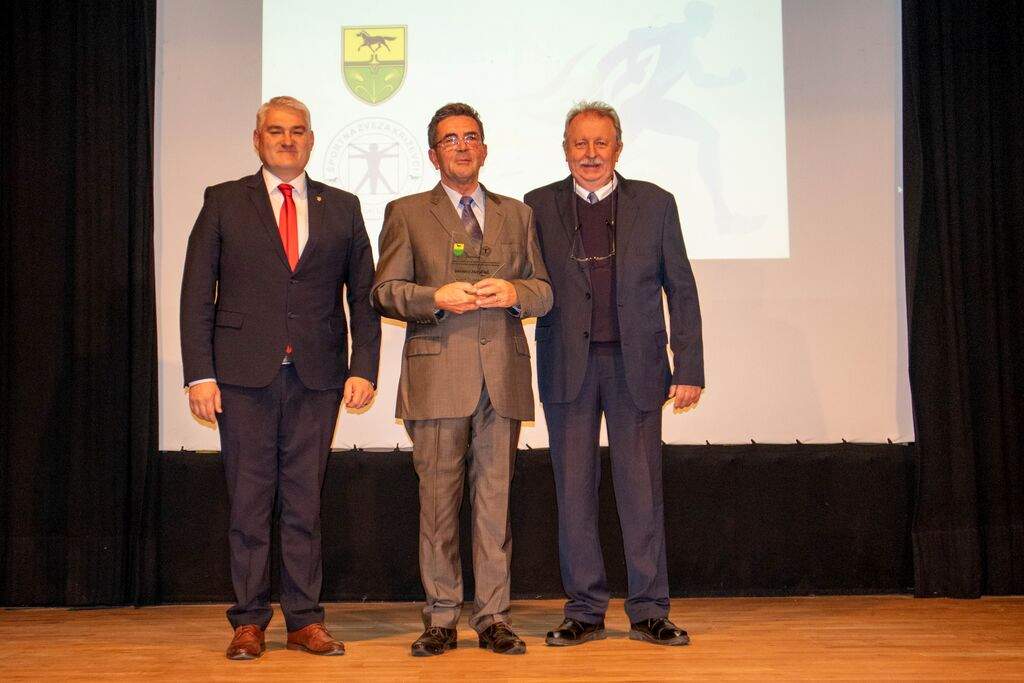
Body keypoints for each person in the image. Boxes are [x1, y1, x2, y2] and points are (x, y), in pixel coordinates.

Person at [180, 96, 381, 660]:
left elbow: (363, 298)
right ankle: (248, 621)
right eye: (276, 131)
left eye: (297, 131)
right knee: (248, 504)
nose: (287, 140)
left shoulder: (343, 206)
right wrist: (200, 374)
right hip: (242, 379)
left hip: (317, 378)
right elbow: (196, 292)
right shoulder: (223, 200)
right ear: (257, 140)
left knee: (304, 505)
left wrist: (363, 367)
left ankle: (304, 621)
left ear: (311, 140)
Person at [372, 102, 552, 657]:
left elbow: (544, 290)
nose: (462, 147)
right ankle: (442, 617)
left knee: (494, 506)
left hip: (502, 378)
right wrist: (435, 298)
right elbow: (385, 291)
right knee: (438, 507)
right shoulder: (406, 212)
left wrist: (516, 293)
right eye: (450, 140)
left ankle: (493, 616)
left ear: (485, 148)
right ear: (433, 155)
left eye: (471, 137)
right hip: (436, 378)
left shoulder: (517, 214)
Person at [524, 101, 704, 647]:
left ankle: (649, 610)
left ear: (618, 148)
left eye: (600, 143)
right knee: (574, 493)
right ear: (565, 150)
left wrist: (689, 366)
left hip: (638, 368)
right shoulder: (536, 206)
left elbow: (681, 288)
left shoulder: (656, 203)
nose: (591, 154)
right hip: (567, 368)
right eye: (580, 143)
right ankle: (584, 610)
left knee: (642, 493)